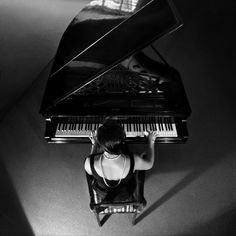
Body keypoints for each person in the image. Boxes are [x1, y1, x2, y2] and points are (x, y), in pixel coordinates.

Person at [84, 118, 158, 202]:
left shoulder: (88, 163)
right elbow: (149, 164)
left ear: (100, 143)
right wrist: (151, 141)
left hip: (103, 193)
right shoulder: (133, 160)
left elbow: (90, 170)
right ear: (122, 141)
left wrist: (94, 144)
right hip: (125, 194)